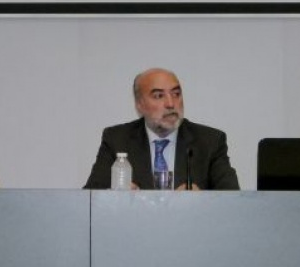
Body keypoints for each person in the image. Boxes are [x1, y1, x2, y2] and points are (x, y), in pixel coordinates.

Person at [83, 68, 240, 190]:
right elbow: (90, 198)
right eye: (159, 96)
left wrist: (201, 201)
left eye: (176, 93)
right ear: (139, 104)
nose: (171, 103)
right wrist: (115, 197)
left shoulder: (209, 141)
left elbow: (233, 199)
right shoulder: (117, 139)